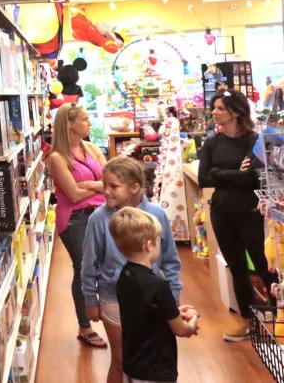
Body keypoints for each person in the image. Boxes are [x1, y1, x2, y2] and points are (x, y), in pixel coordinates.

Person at [82, 156, 183, 383]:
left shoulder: (155, 214)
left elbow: (170, 259)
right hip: (113, 299)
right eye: (104, 184)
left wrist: (174, 294)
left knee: (150, 359)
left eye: (113, 186)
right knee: (120, 359)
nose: (105, 191)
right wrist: (90, 299)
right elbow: (89, 263)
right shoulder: (99, 219)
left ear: (135, 187)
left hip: (153, 300)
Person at [199, 89, 275, 341]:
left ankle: (278, 315)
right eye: (214, 108)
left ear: (235, 111)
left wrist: (220, 172)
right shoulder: (212, 142)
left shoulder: (255, 140)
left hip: (250, 211)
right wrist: (235, 173)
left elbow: (256, 177)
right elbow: (203, 178)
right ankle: (248, 321)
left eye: (220, 108)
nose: (214, 112)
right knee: (237, 267)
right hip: (221, 211)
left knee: (264, 263)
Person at [110, 206, 200, 383]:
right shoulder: (158, 285)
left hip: (133, 365)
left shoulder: (125, 276)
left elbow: (145, 311)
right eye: (158, 240)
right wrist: (194, 320)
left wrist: (174, 311)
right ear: (149, 245)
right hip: (157, 370)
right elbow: (181, 330)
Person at [46, 103, 107, 348]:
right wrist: (96, 185)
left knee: (103, 264)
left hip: (101, 213)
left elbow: (110, 178)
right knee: (83, 268)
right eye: (84, 119)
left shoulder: (91, 148)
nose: (89, 123)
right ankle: (84, 326)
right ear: (70, 124)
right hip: (74, 219)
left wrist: (89, 186)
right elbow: (72, 194)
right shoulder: (56, 158)